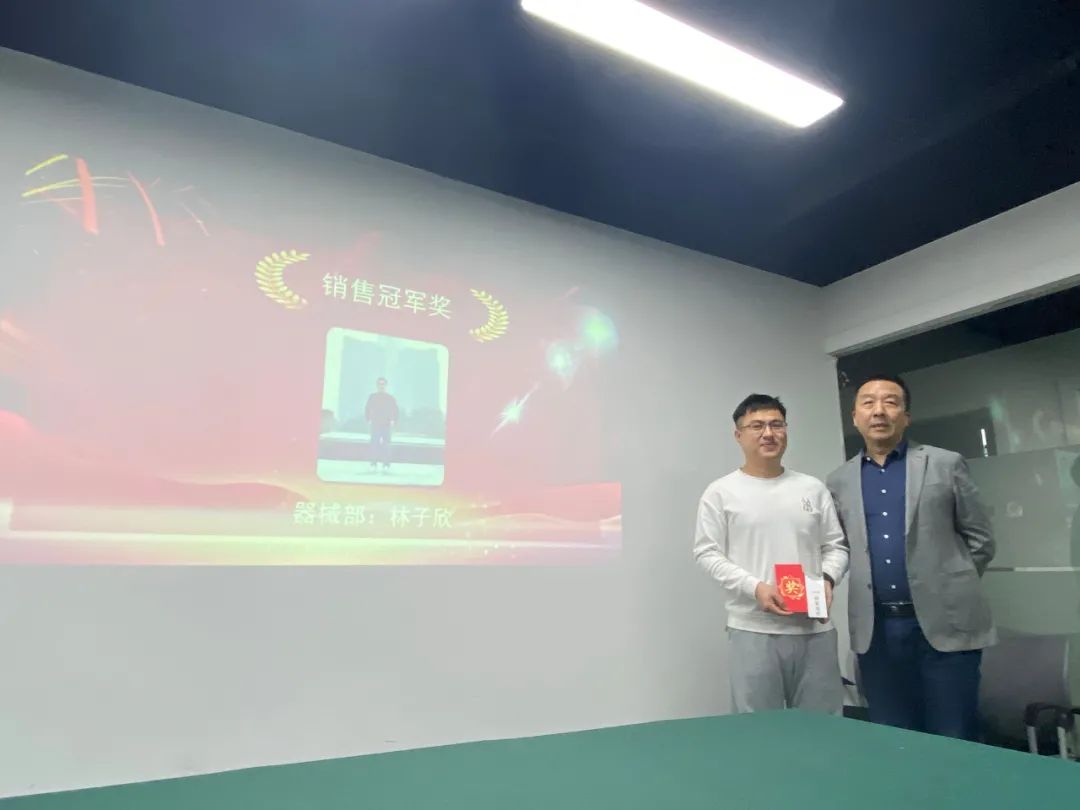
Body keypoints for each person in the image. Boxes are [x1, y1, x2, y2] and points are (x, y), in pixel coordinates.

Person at [827, 373, 995, 741]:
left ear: (906, 416)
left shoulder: (945, 463)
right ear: (855, 417)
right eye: (868, 403)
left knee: (954, 734)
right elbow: (840, 546)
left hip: (945, 626)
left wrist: (950, 586)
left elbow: (981, 539)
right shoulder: (838, 481)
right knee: (893, 736)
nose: (879, 411)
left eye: (890, 402)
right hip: (877, 631)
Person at [694, 394, 849, 714]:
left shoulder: (812, 488)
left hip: (815, 629)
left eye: (777, 424)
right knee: (757, 729)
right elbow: (707, 553)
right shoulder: (721, 492)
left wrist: (827, 580)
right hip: (752, 628)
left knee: (824, 726)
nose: (769, 433)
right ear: (738, 435)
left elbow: (836, 546)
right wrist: (756, 588)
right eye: (757, 426)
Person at [364, 377, 398, 471]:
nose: (381, 386)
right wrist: (368, 419)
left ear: (386, 385)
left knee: (386, 445)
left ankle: (386, 465)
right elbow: (367, 408)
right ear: (377, 385)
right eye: (379, 384)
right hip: (375, 423)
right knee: (374, 444)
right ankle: (373, 464)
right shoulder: (372, 397)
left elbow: (395, 410)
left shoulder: (390, 398)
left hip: (386, 424)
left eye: (383, 384)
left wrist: (393, 420)